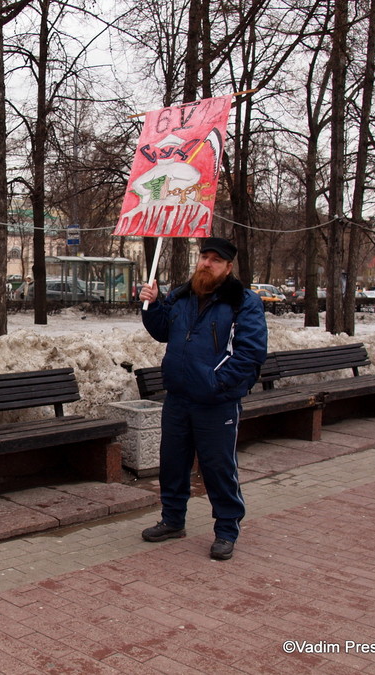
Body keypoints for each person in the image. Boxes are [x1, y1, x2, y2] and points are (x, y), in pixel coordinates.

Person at [138, 237, 267, 561]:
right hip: (179, 398)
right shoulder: (183, 296)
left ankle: (226, 530)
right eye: (203, 257)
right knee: (172, 464)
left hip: (216, 402)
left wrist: (216, 383)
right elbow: (163, 331)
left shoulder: (243, 302)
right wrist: (153, 304)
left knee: (218, 468)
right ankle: (172, 520)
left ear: (228, 267)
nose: (206, 263)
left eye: (214, 260)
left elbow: (250, 353)